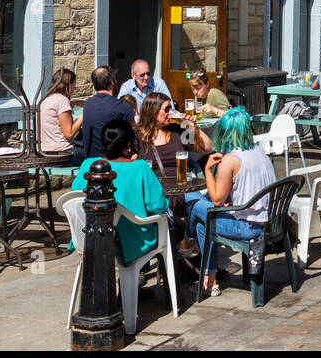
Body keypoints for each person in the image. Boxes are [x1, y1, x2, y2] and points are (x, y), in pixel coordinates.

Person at [182, 107, 277, 293]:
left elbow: (217, 200)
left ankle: (187, 240)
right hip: (267, 219)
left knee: (195, 204)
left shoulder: (231, 160)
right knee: (203, 225)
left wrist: (208, 169)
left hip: (248, 227)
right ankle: (210, 281)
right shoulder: (259, 151)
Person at [71, 118, 168, 265]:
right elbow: (157, 206)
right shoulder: (140, 167)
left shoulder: (88, 165)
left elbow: (74, 199)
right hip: (129, 245)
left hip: (87, 239)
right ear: (129, 144)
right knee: (168, 220)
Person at [136, 91, 212, 180]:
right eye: (167, 109)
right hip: (153, 187)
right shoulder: (137, 136)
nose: (171, 112)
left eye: (171, 108)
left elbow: (207, 148)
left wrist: (195, 128)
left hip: (181, 184)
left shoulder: (176, 130)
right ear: (153, 111)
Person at [81, 65, 136, 161]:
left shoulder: (88, 104)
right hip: (115, 162)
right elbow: (136, 132)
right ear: (112, 82)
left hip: (91, 161)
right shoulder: (121, 106)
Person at [39, 68, 81, 155]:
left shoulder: (46, 99)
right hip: (63, 153)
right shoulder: (62, 100)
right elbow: (69, 134)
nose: (75, 89)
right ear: (68, 85)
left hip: (44, 152)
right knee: (97, 155)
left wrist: (74, 103)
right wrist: (84, 114)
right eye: (74, 85)